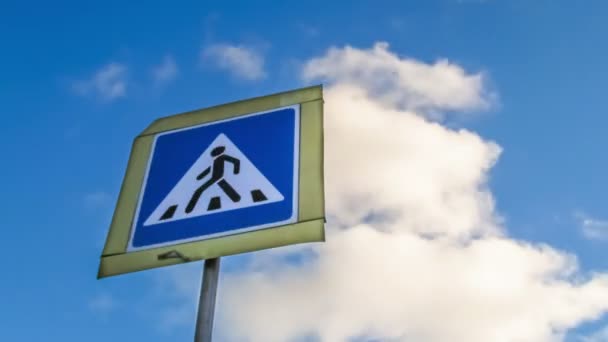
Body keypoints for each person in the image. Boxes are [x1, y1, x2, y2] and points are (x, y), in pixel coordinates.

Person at [185, 145, 241, 213]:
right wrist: (199, 177)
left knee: (199, 191)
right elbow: (209, 170)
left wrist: (236, 172)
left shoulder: (223, 157)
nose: (215, 154)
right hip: (216, 178)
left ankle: (189, 209)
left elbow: (236, 161)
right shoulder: (215, 160)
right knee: (227, 188)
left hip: (217, 177)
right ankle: (237, 199)